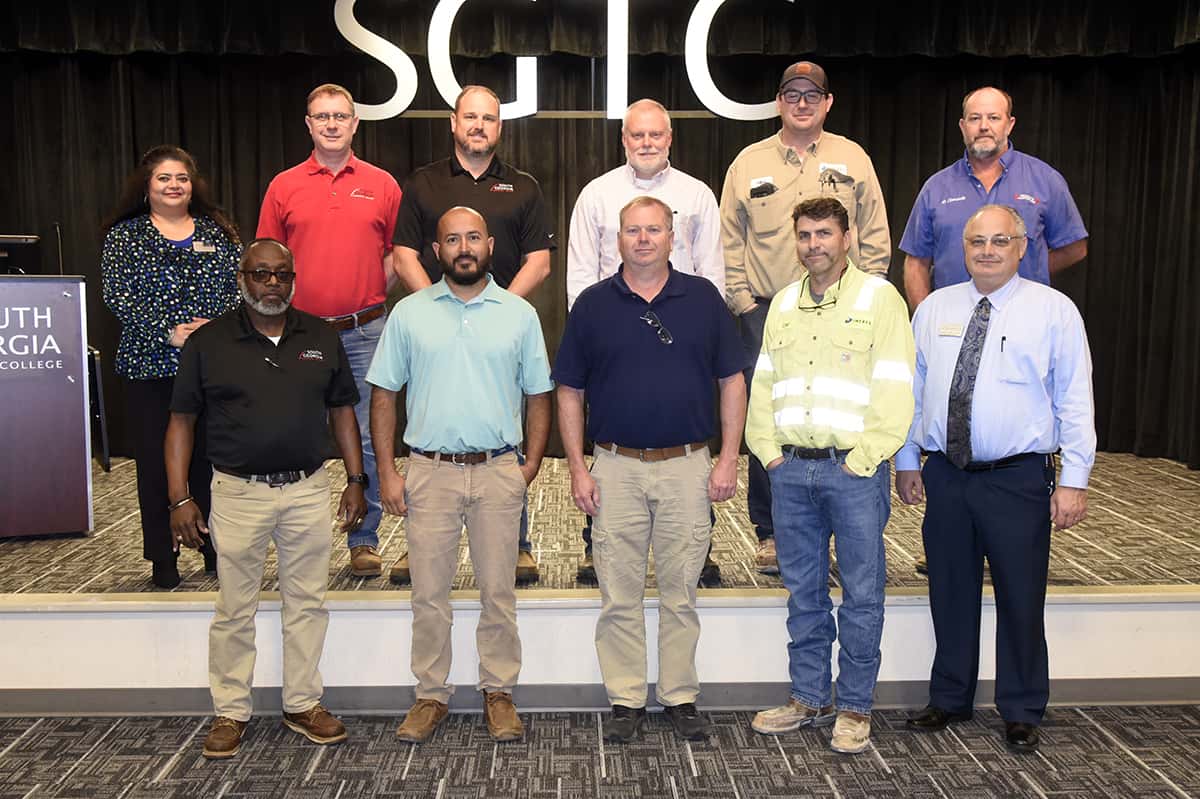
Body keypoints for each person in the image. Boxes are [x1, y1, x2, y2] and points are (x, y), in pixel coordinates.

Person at [897, 204, 1095, 753]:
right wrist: (908, 459)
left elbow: (1076, 401)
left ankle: (1023, 707)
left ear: (1023, 246)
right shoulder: (935, 308)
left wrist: (1075, 480)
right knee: (950, 590)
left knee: (1021, 596)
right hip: (947, 477)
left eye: (999, 240)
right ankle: (950, 698)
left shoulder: (1054, 312)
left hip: (1018, 479)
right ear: (963, 247)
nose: (986, 250)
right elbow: (913, 391)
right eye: (976, 241)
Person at [166, 238, 368, 759]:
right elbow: (181, 422)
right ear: (242, 279)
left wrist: (355, 479)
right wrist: (178, 498)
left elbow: (344, 411)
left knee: (308, 603)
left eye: (281, 274)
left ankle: (303, 702)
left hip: (306, 490)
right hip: (236, 492)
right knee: (235, 607)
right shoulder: (208, 343)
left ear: (293, 279)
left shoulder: (321, 336)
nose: (272, 283)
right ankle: (230, 711)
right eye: (260, 274)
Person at [555, 196, 746, 743]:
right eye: (632, 230)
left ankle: (680, 697)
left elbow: (731, 380)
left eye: (654, 230)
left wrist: (728, 456)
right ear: (617, 239)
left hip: (688, 466)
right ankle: (625, 699)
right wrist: (576, 467)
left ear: (672, 237)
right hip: (615, 467)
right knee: (618, 592)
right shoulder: (592, 304)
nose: (643, 239)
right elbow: (569, 390)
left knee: (681, 591)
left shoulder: (704, 299)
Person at [369, 207, 553, 744]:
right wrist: (387, 471)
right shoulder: (409, 313)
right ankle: (431, 695)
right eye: (453, 239)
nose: (464, 247)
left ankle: (499, 693)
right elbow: (384, 394)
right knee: (429, 593)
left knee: (499, 591)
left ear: (491, 245)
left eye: (473, 237)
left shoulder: (518, 313)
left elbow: (539, 393)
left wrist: (532, 465)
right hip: (430, 472)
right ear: (437, 249)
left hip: (499, 470)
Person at [745, 198, 914, 755]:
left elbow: (895, 388)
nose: (814, 243)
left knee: (863, 593)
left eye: (824, 233)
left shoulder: (879, 299)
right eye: (805, 235)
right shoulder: (784, 304)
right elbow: (763, 385)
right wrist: (769, 455)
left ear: (847, 238)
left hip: (854, 474)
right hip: (791, 473)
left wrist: (862, 462)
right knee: (804, 594)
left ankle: (856, 707)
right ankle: (808, 697)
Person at [900, 87, 1088, 574]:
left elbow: (1074, 246)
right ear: (961, 126)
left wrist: (1026, 279)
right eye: (973, 118)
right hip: (948, 330)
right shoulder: (936, 188)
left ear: (1010, 124)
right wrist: (931, 317)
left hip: (1019, 328)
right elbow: (915, 259)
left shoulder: (1044, 180)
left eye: (993, 117)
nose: (983, 126)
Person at [720, 61, 890, 576]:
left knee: (841, 416)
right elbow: (730, 239)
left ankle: (844, 524)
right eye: (791, 94)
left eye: (811, 94)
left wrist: (871, 293)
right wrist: (744, 303)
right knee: (771, 420)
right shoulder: (748, 163)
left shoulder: (852, 158)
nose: (801, 102)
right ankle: (771, 532)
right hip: (770, 312)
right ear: (778, 101)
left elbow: (875, 232)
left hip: (845, 310)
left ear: (828, 101)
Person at [390, 85, 555, 584]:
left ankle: (518, 543)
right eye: (470, 117)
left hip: (500, 330)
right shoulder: (422, 184)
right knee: (432, 425)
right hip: (437, 326)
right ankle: (418, 542)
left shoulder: (523, 187)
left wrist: (499, 312)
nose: (479, 125)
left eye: (488, 118)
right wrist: (436, 310)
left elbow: (540, 262)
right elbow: (403, 255)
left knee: (502, 434)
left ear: (499, 128)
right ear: (453, 123)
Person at [565, 97, 724, 585]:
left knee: (687, 445)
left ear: (670, 138)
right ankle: (600, 547)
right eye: (638, 135)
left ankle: (699, 548)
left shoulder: (697, 195)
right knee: (614, 444)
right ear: (624, 140)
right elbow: (580, 271)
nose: (647, 142)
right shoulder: (596, 194)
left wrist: (705, 329)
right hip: (614, 328)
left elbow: (712, 268)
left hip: (686, 330)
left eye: (656, 134)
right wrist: (592, 333)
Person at [256, 83, 401, 581]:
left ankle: (365, 539)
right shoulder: (284, 185)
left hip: (366, 330)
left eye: (341, 116)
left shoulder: (383, 184)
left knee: (367, 437)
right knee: (301, 437)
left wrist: (365, 300)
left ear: (355, 124)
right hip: (300, 334)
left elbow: (394, 255)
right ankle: (306, 543)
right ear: (309, 124)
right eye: (323, 117)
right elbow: (268, 261)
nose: (332, 124)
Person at [100, 144, 241, 589]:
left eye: (181, 178)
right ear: (147, 186)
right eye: (164, 178)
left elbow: (238, 288)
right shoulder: (126, 236)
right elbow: (118, 296)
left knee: (212, 459)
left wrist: (211, 329)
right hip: (150, 366)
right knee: (157, 465)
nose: (174, 185)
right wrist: (169, 331)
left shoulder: (217, 232)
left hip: (210, 364)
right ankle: (163, 557)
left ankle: (217, 551)